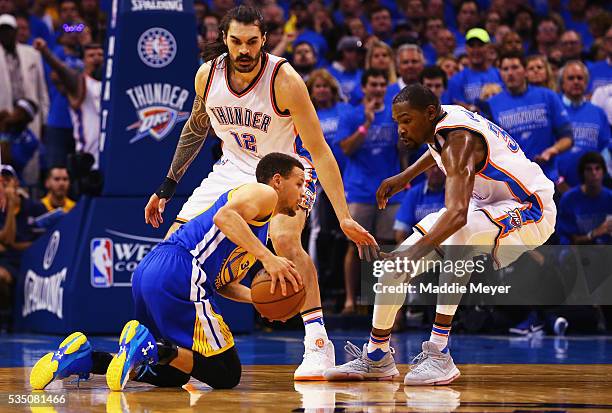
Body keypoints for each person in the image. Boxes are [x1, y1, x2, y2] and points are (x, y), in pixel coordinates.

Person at [143, 6, 377, 381]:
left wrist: (344, 215)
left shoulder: (284, 79)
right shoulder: (208, 75)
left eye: (252, 41)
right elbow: (195, 128)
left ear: (264, 39)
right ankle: (173, 353)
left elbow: (319, 149)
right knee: (173, 252)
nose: (245, 50)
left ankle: (318, 345)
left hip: (286, 167)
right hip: (231, 168)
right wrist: (168, 185)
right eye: (236, 42)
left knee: (284, 239)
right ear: (224, 39)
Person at [324, 84, 556, 385]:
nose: (400, 130)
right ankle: (377, 355)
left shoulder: (460, 141)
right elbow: (438, 150)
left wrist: (414, 253)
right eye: (397, 122)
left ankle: (439, 352)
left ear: (430, 113)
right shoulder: (446, 119)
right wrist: (405, 176)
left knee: (459, 234)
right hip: (485, 203)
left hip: (531, 207)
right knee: (392, 268)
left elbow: (457, 214)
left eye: (406, 120)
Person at [29, 153, 310, 391]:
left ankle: (83, 358)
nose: (302, 193)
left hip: (157, 270)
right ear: (277, 180)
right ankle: (148, 347)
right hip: (182, 268)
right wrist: (269, 259)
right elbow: (224, 217)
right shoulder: (262, 192)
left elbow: (223, 283)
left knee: (172, 373)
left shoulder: (258, 234)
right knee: (226, 373)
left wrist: (257, 299)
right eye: (299, 184)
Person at [336, 68, 402, 314]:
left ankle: (382, 305)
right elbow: (346, 149)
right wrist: (365, 125)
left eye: (381, 84)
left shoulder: (395, 115)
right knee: (355, 246)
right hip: (359, 189)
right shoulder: (351, 114)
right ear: (364, 87)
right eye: (372, 83)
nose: (377, 88)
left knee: (387, 247)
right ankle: (351, 301)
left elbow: (403, 148)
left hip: (389, 190)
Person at [486, 52, 573, 183]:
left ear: (525, 71)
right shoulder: (492, 104)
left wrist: (552, 150)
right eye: (505, 69)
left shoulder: (548, 96)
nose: (510, 73)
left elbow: (568, 137)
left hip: (547, 177)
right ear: (500, 74)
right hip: (512, 181)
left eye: (515, 67)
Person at [34, 38, 103, 168]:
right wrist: (45, 52)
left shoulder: (111, 85)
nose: (96, 58)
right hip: (87, 159)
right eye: (91, 55)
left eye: (100, 54)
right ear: (83, 61)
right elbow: (61, 69)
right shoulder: (80, 82)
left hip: (108, 157)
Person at [557, 61, 610, 188]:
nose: (576, 81)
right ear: (562, 84)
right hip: (557, 186)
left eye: (580, 78)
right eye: (570, 78)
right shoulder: (554, 109)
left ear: (586, 83)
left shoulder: (597, 112)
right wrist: (558, 181)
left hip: (593, 186)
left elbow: (604, 149)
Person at [557, 152, 612, 245]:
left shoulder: (609, 198)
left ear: (603, 172)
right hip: (578, 252)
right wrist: (595, 233)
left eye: (597, 168)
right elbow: (572, 241)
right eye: (589, 169)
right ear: (582, 173)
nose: (594, 173)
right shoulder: (569, 200)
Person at [447, 28, 503, 110]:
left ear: (489, 47)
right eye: (472, 45)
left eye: (480, 45)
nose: (476, 50)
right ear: (466, 48)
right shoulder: (456, 80)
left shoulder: (500, 74)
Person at [393, 165, 445, 243]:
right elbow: (400, 233)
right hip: (418, 245)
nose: (435, 170)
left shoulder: (455, 192)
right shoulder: (413, 193)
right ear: (424, 169)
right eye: (431, 167)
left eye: (439, 167)